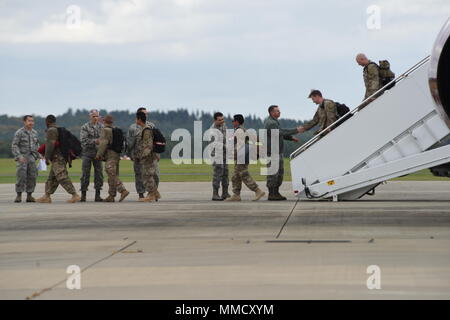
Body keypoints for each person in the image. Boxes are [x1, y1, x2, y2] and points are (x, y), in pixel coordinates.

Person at [36, 115, 81, 203]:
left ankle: (74, 194)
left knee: (61, 176)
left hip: (58, 157)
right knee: (52, 178)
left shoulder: (51, 130)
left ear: (47, 122)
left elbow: (50, 145)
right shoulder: (59, 129)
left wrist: (46, 158)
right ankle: (47, 196)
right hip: (60, 156)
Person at [264, 106, 302, 201]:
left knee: (279, 173)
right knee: (273, 173)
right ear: (272, 112)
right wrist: (296, 130)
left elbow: (279, 134)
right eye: (277, 111)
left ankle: (276, 193)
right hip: (273, 152)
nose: (279, 112)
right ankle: (272, 194)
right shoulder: (271, 123)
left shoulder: (275, 121)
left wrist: (290, 138)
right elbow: (281, 132)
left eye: (279, 111)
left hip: (277, 151)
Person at [225, 114, 265, 202]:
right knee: (235, 176)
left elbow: (239, 144)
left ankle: (257, 191)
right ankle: (236, 195)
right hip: (243, 155)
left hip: (241, 155)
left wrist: (235, 153)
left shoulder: (239, 131)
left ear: (237, 121)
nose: (233, 123)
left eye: (233, 121)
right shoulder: (243, 129)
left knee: (244, 174)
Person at [127, 107, 160, 200]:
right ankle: (141, 194)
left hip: (150, 155)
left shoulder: (151, 126)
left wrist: (157, 154)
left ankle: (153, 193)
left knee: (154, 174)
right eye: (144, 113)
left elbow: (156, 140)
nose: (146, 115)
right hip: (138, 155)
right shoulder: (133, 127)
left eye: (146, 113)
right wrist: (130, 155)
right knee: (139, 175)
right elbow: (130, 143)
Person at [95, 114, 129, 202]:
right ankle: (111, 195)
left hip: (110, 155)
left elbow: (103, 143)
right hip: (117, 155)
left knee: (110, 172)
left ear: (104, 121)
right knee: (113, 174)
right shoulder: (114, 130)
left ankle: (123, 190)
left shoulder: (105, 130)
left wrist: (99, 154)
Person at [11, 115, 40, 203]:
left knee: (32, 176)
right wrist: (19, 156)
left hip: (32, 157)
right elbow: (14, 145)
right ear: (24, 122)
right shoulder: (19, 132)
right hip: (22, 157)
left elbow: (37, 145)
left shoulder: (34, 133)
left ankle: (29, 195)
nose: (31, 123)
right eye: (29, 121)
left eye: (32, 121)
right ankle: (19, 195)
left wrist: (39, 155)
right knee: (21, 176)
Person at [79, 109, 104, 202]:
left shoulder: (102, 127)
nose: (95, 118)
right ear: (90, 117)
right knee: (85, 174)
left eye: (97, 116)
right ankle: (83, 194)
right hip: (87, 153)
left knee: (99, 174)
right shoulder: (85, 127)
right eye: (94, 116)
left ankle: (98, 195)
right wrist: (95, 141)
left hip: (98, 153)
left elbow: (104, 139)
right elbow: (83, 140)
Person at [210, 112, 230, 201]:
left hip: (224, 153)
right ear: (215, 120)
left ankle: (225, 193)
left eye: (223, 119)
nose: (222, 121)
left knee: (226, 173)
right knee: (218, 174)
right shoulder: (213, 130)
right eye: (219, 120)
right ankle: (215, 194)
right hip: (217, 154)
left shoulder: (224, 125)